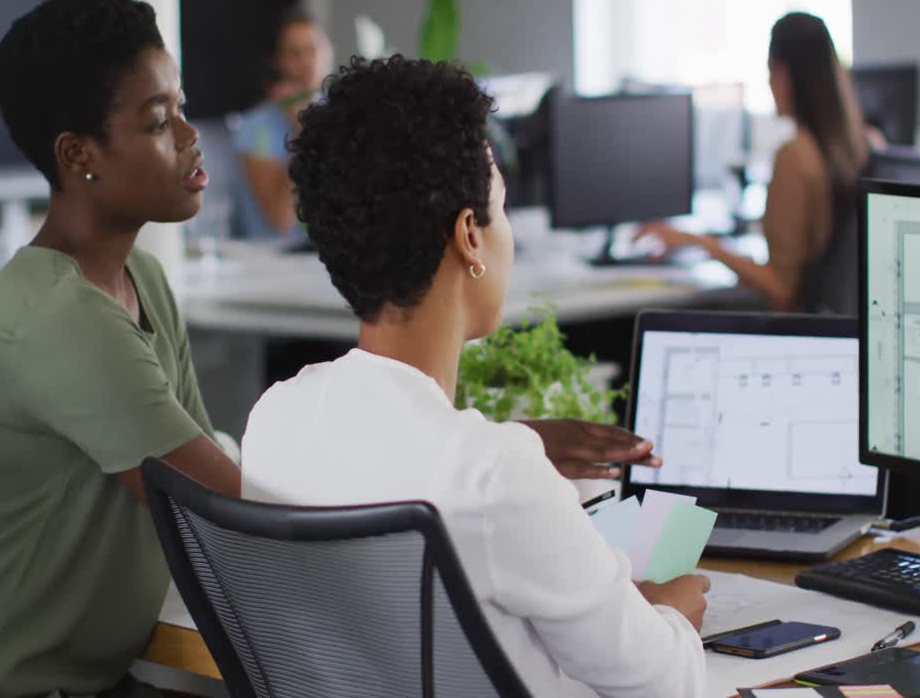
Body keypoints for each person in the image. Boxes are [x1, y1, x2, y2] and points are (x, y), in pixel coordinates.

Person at [242, 55, 710, 697]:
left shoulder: (276, 419)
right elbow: (668, 685)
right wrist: (671, 614)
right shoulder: (494, 475)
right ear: (469, 235)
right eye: (502, 207)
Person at [0, 0, 242, 698]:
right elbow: (224, 512)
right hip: (2, 680)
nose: (188, 135)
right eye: (156, 121)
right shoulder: (62, 319)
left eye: (181, 106)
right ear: (78, 155)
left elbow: (204, 457)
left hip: (84, 664)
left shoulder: (138, 274)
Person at [638, 12, 872, 313]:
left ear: (784, 74)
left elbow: (781, 290)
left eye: (769, 71)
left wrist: (701, 243)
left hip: (792, 331)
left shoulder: (794, 156)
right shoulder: (855, 145)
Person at [229, 9, 332, 238]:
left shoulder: (342, 113)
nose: (307, 62)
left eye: (313, 50)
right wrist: (302, 128)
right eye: (295, 54)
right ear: (277, 61)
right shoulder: (254, 128)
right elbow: (282, 219)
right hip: (273, 260)